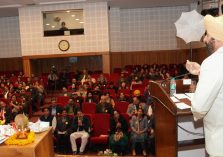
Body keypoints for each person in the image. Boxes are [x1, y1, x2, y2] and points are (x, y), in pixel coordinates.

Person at [186, 15, 223, 157]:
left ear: (217, 38)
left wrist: (195, 94)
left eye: (207, 34)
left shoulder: (213, 62)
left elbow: (199, 107)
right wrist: (202, 71)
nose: (204, 39)